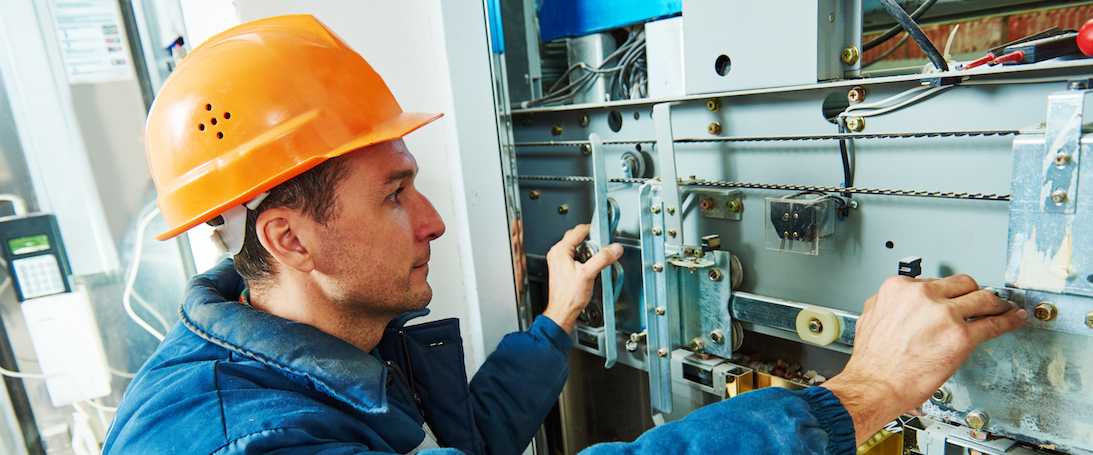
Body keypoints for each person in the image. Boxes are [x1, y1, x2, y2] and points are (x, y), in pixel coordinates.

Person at [103, 15, 1027, 455]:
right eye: (393, 197)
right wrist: (863, 391)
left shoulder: (334, 343)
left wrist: (553, 321)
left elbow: (468, 442)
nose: (431, 222)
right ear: (289, 237)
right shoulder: (245, 442)